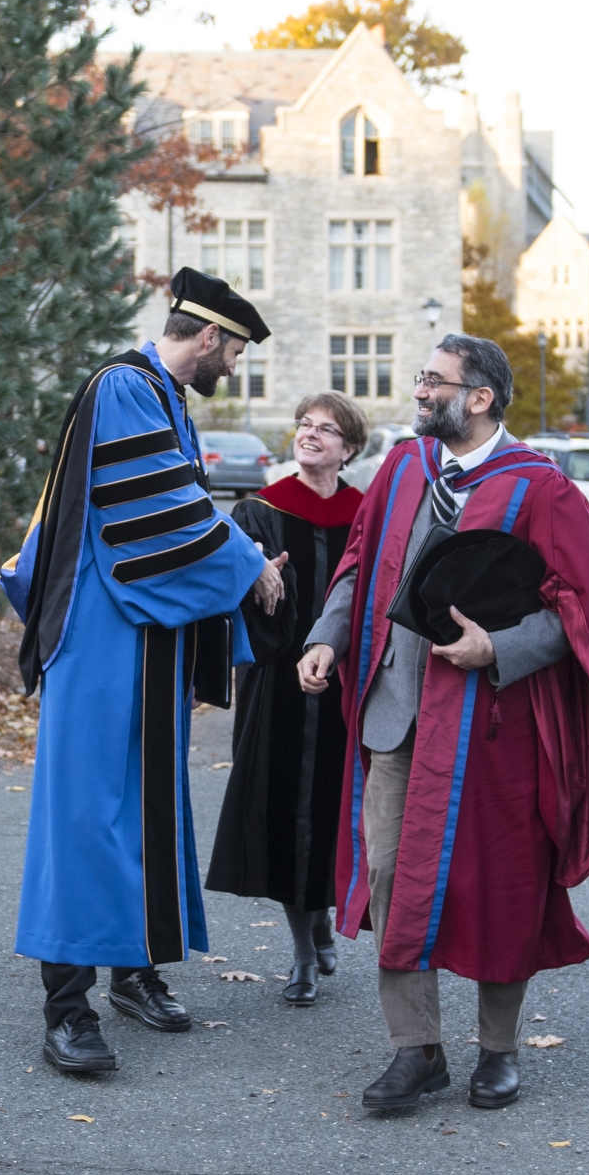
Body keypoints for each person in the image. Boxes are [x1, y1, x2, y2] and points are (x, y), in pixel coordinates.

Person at [298, 334, 589, 1115]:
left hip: (491, 727)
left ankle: (499, 1051)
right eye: (420, 379)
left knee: (500, 884)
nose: (419, 392)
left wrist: (498, 647)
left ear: (478, 398)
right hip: (397, 716)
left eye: (434, 382)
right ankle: (417, 1051)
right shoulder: (406, 470)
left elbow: (580, 612)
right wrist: (327, 636)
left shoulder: (541, 490)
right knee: (389, 879)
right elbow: (362, 561)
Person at [2, 268, 285, 1075]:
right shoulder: (126, 386)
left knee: (149, 810)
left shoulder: (166, 399)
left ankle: (135, 968)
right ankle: (66, 1007)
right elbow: (161, 510)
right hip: (102, 637)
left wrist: (236, 559)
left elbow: (177, 511)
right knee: (88, 814)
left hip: (145, 636)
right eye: (232, 350)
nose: (233, 365)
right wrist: (248, 564)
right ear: (208, 337)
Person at [206, 390, 367, 1004]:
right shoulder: (259, 512)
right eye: (304, 425)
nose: (311, 435)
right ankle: (302, 951)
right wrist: (251, 571)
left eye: (326, 429)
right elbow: (230, 596)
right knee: (283, 807)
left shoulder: (366, 513)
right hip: (277, 683)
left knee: (332, 804)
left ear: (348, 448)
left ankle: (322, 916)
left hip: (349, 683)